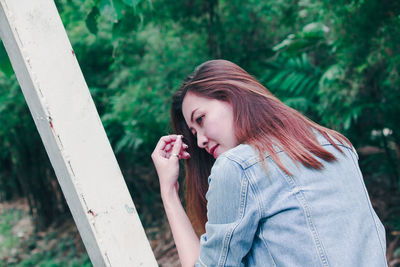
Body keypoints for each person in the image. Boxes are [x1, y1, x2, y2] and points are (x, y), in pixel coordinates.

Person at [151, 59, 387, 266]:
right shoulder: (336, 145)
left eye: (200, 119)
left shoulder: (237, 166)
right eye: (193, 133)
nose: (200, 141)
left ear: (233, 96)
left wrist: (169, 192)